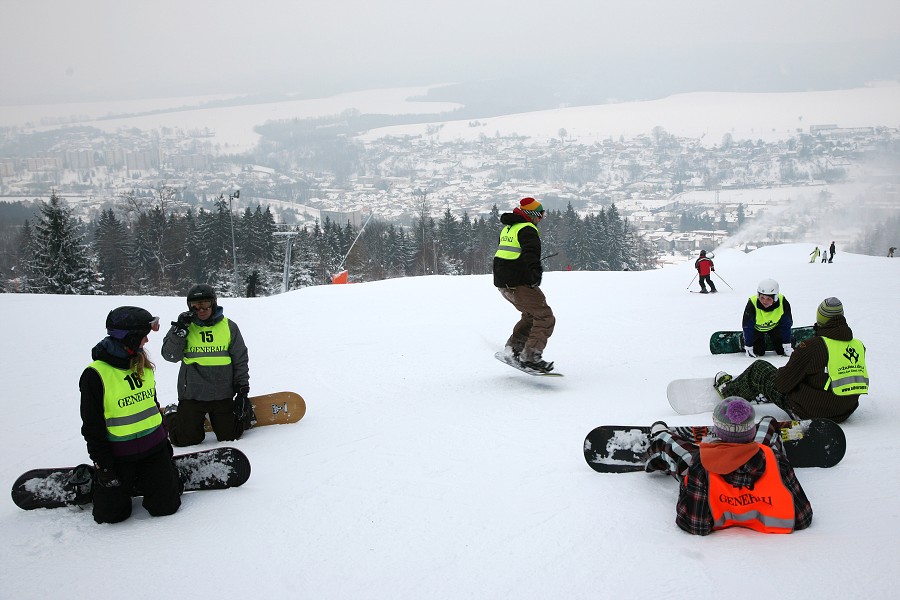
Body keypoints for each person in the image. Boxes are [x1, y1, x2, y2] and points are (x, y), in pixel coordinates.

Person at [645, 397, 813, 535]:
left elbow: (694, 525)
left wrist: (686, 486)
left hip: (708, 462)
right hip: (760, 456)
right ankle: (768, 429)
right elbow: (803, 518)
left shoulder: (700, 465)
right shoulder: (776, 461)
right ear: (751, 431)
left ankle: (659, 435)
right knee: (768, 423)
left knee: (673, 447)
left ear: (717, 430)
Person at [79, 306, 182, 524]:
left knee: (166, 507)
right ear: (131, 337)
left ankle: (154, 477)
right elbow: (92, 426)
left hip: (153, 450)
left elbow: (151, 405)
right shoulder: (95, 375)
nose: (146, 340)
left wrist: (164, 440)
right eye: (143, 335)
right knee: (111, 516)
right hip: (118, 458)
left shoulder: (143, 364)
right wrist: (104, 466)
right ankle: (99, 480)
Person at [714, 297, 868, 423]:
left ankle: (728, 391)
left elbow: (782, 384)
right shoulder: (859, 346)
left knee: (759, 368)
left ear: (820, 318)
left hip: (809, 412)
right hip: (845, 411)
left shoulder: (812, 346)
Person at [161, 284, 252, 446]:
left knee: (230, 436)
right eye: (195, 306)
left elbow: (240, 359)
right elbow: (170, 355)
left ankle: (241, 416)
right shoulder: (184, 327)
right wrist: (179, 331)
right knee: (186, 440)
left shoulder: (229, 327)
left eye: (205, 304)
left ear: (213, 303)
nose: (200, 309)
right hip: (192, 394)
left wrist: (242, 390)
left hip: (222, 393)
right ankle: (172, 413)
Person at [493, 197, 556, 372]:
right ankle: (530, 357)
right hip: (518, 283)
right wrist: (535, 276)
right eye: (540, 215)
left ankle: (513, 349)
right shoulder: (527, 229)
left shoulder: (509, 228)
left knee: (531, 315)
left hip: (503, 283)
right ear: (532, 215)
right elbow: (530, 256)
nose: (541, 219)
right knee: (544, 316)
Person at [742, 278, 793, 357]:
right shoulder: (752, 303)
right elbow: (747, 326)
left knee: (780, 350)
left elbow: (786, 324)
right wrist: (748, 346)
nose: (765, 301)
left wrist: (787, 345)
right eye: (762, 297)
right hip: (757, 329)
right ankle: (742, 339)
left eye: (769, 299)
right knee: (759, 352)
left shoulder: (783, 302)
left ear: (775, 298)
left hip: (775, 327)